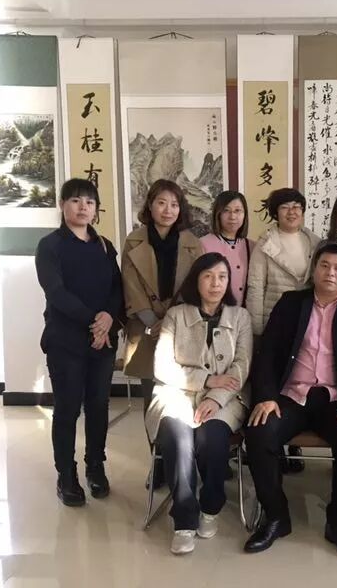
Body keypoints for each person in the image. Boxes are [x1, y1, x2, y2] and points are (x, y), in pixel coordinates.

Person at [243, 244, 337, 560]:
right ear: (314, 269)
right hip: (291, 396)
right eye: (324, 265)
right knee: (259, 431)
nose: (330, 273)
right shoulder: (290, 303)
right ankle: (276, 517)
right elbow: (267, 353)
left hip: (335, 399)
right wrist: (266, 397)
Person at [148, 253, 252, 555]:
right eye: (208, 276)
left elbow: (242, 367)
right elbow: (162, 366)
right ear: (195, 280)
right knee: (178, 439)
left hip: (226, 398)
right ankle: (183, 520)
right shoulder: (176, 315)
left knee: (212, 439)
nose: (215, 283)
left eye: (222, 276)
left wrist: (215, 398)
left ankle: (211, 506)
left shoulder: (240, 317)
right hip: (176, 393)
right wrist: (207, 380)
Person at [35, 178, 123, 507]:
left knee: (98, 407)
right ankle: (66, 474)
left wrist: (109, 318)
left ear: (96, 209)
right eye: (75, 200)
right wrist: (94, 321)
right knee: (68, 409)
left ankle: (95, 466)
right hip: (66, 341)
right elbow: (56, 292)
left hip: (103, 341)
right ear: (62, 205)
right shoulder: (50, 246)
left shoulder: (104, 246)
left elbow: (117, 288)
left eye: (89, 201)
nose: (83, 206)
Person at [121, 180, 203, 488]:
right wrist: (151, 320)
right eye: (161, 203)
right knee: (152, 398)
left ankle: (183, 461)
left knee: (184, 394)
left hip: (181, 327)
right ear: (150, 205)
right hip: (146, 329)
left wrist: (169, 319)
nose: (168, 210)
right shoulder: (134, 241)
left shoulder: (193, 243)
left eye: (174, 204)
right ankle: (157, 461)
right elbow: (130, 284)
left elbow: (196, 285)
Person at [246, 188, 321, 472]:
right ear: (275, 212)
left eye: (297, 206)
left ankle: (294, 443)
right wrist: (257, 330)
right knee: (275, 381)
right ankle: (275, 448)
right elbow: (256, 287)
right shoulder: (265, 244)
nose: (292, 212)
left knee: (297, 380)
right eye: (286, 207)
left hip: (308, 323)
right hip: (274, 322)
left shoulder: (315, 242)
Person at [200, 191, 252, 307]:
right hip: (213, 311)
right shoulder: (203, 244)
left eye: (237, 211)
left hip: (244, 313)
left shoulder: (252, 246)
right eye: (226, 211)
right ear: (218, 214)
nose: (232, 216)